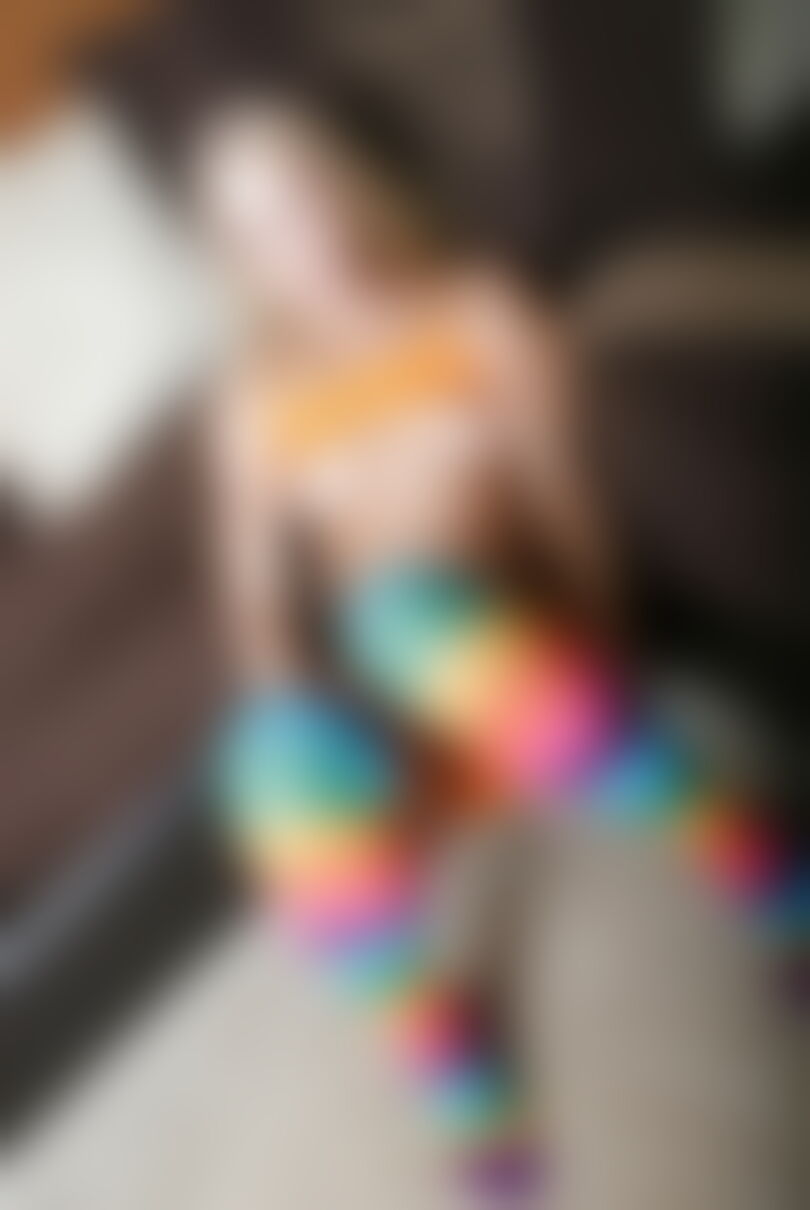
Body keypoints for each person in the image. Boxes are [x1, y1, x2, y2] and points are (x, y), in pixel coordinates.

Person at [194, 98, 792, 1205]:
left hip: (518, 673)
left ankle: (763, 868)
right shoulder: (253, 402)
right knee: (261, 753)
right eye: (259, 225)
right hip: (401, 731)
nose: (299, 234)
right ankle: (448, 1056)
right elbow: (256, 602)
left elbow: (568, 504)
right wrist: (286, 699)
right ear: (238, 259)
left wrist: (605, 644)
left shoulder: (481, 315)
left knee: (396, 612)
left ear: (349, 188)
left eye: (305, 194)